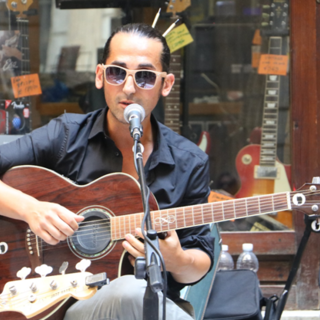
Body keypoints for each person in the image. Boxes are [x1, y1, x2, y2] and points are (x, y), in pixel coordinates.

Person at [0, 23, 214, 320]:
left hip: (141, 306)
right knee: (129, 291)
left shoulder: (189, 162)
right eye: (117, 72)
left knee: (133, 292)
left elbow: (200, 260)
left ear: (165, 84)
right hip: (56, 302)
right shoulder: (65, 136)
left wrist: (176, 259)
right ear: (100, 76)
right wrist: (30, 209)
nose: (128, 88)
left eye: (145, 76)